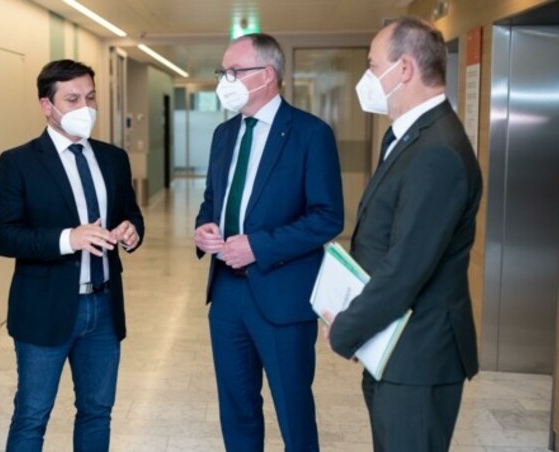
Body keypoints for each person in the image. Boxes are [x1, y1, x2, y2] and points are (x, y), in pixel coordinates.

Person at [324, 16, 482, 452]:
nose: (368, 78)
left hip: (420, 354)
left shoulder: (438, 153)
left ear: (405, 69)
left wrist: (347, 328)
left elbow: (406, 268)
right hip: (393, 346)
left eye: (373, 66)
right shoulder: (411, 136)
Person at [194, 33, 344, 451]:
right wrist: (204, 226)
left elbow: (328, 217)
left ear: (267, 75)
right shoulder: (224, 135)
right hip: (226, 294)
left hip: (282, 296)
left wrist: (259, 245)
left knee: (293, 410)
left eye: (234, 71)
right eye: (223, 71)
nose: (226, 79)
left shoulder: (310, 134)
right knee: (237, 407)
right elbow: (212, 200)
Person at [0, 59, 144, 452]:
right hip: (45, 309)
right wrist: (66, 239)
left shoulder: (112, 158)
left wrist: (132, 230)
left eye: (90, 97)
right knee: (31, 416)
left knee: (97, 412)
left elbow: (131, 213)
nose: (85, 108)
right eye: (72, 99)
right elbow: (3, 236)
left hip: (105, 307)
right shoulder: (18, 162)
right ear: (47, 105)